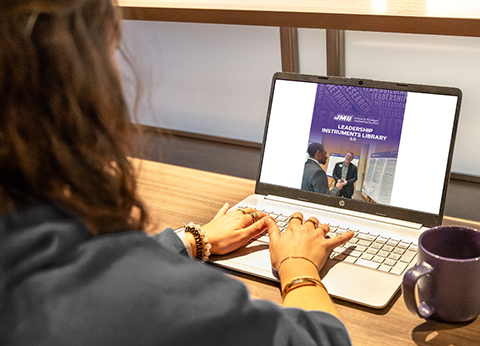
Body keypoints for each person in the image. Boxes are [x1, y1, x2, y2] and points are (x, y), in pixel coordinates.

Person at [0, 1, 355, 345]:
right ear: (77, 78)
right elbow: (322, 339)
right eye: (112, 45)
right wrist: (298, 264)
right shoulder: (135, 297)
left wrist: (191, 239)